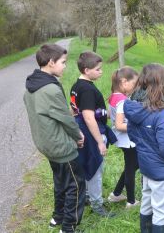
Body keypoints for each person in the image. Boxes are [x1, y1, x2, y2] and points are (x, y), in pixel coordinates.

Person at [23, 43, 86, 233]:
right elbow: (66, 119)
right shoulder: (50, 89)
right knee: (75, 185)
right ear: (51, 62)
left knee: (60, 181)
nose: (65, 66)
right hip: (61, 147)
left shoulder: (31, 86)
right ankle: (68, 227)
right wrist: (78, 136)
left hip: (46, 144)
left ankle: (57, 217)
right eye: (63, 62)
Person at [124, 63, 164, 233]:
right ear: (162, 86)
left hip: (146, 166)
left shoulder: (134, 107)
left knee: (147, 203)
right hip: (163, 171)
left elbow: (132, 134)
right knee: (162, 211)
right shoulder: (161, 114)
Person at [69, 51, 116, 218]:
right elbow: (89, 117)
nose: (101, 71)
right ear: (86, 70)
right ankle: (97, 206)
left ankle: (88, 197)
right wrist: (100, 142)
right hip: (90, 134)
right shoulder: (87, 89)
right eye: (98, 69)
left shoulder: (76, 86)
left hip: (81, 130)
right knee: (95, 168)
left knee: (87, 166)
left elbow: (73, 110)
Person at [107, 66, 140, 208]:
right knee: (131, 168)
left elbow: (110, 116)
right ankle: (131, 202)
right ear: (124, 82)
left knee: (131, 166)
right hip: (128, 140)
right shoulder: (123, 101)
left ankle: (116, 194)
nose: (135, 88)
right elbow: (119, 124)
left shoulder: (113, 96)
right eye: (134, 84)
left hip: (122, 139)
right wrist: (138, 126)